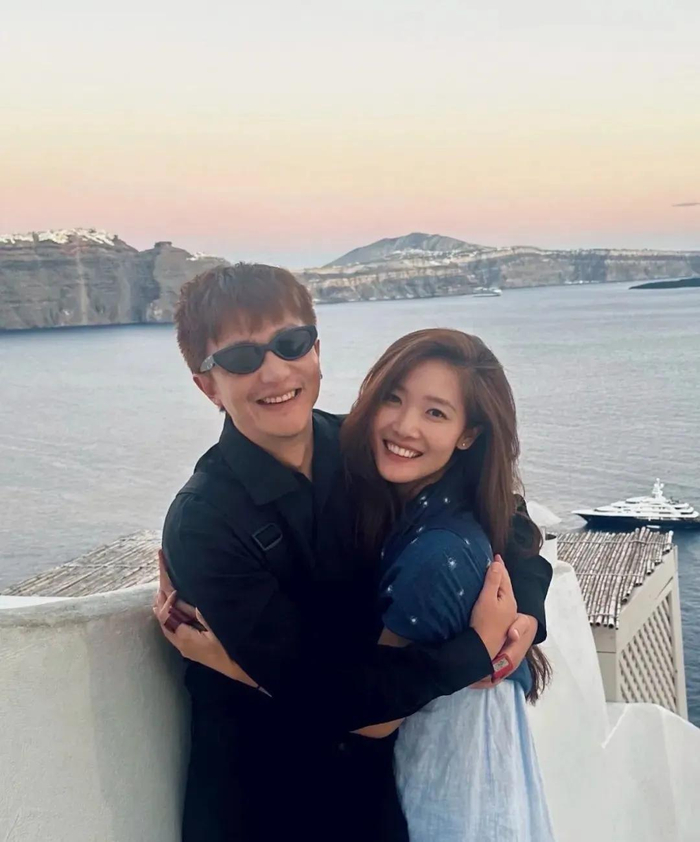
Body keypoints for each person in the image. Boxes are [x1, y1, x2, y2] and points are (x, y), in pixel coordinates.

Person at [153, 263, 553, 842]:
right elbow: (327, 693)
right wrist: (474, 652)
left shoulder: (359, 449)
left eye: (291, 343)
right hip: (264, 805)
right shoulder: (205, 523)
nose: (275, 371)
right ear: (207, 385)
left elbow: (499, 513)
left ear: (316, 351)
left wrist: (527, 613)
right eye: (241, 357)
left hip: (372, 797)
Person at [341, 328, 555, 840]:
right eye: (393, 398)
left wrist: (229, 660)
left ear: (468, 434)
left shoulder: (437, 556)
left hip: (444, 789)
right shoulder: (443, 501)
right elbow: (514, 519)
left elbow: (373, 717)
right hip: (486, 780)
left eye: (435, 413)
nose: (405, 426)